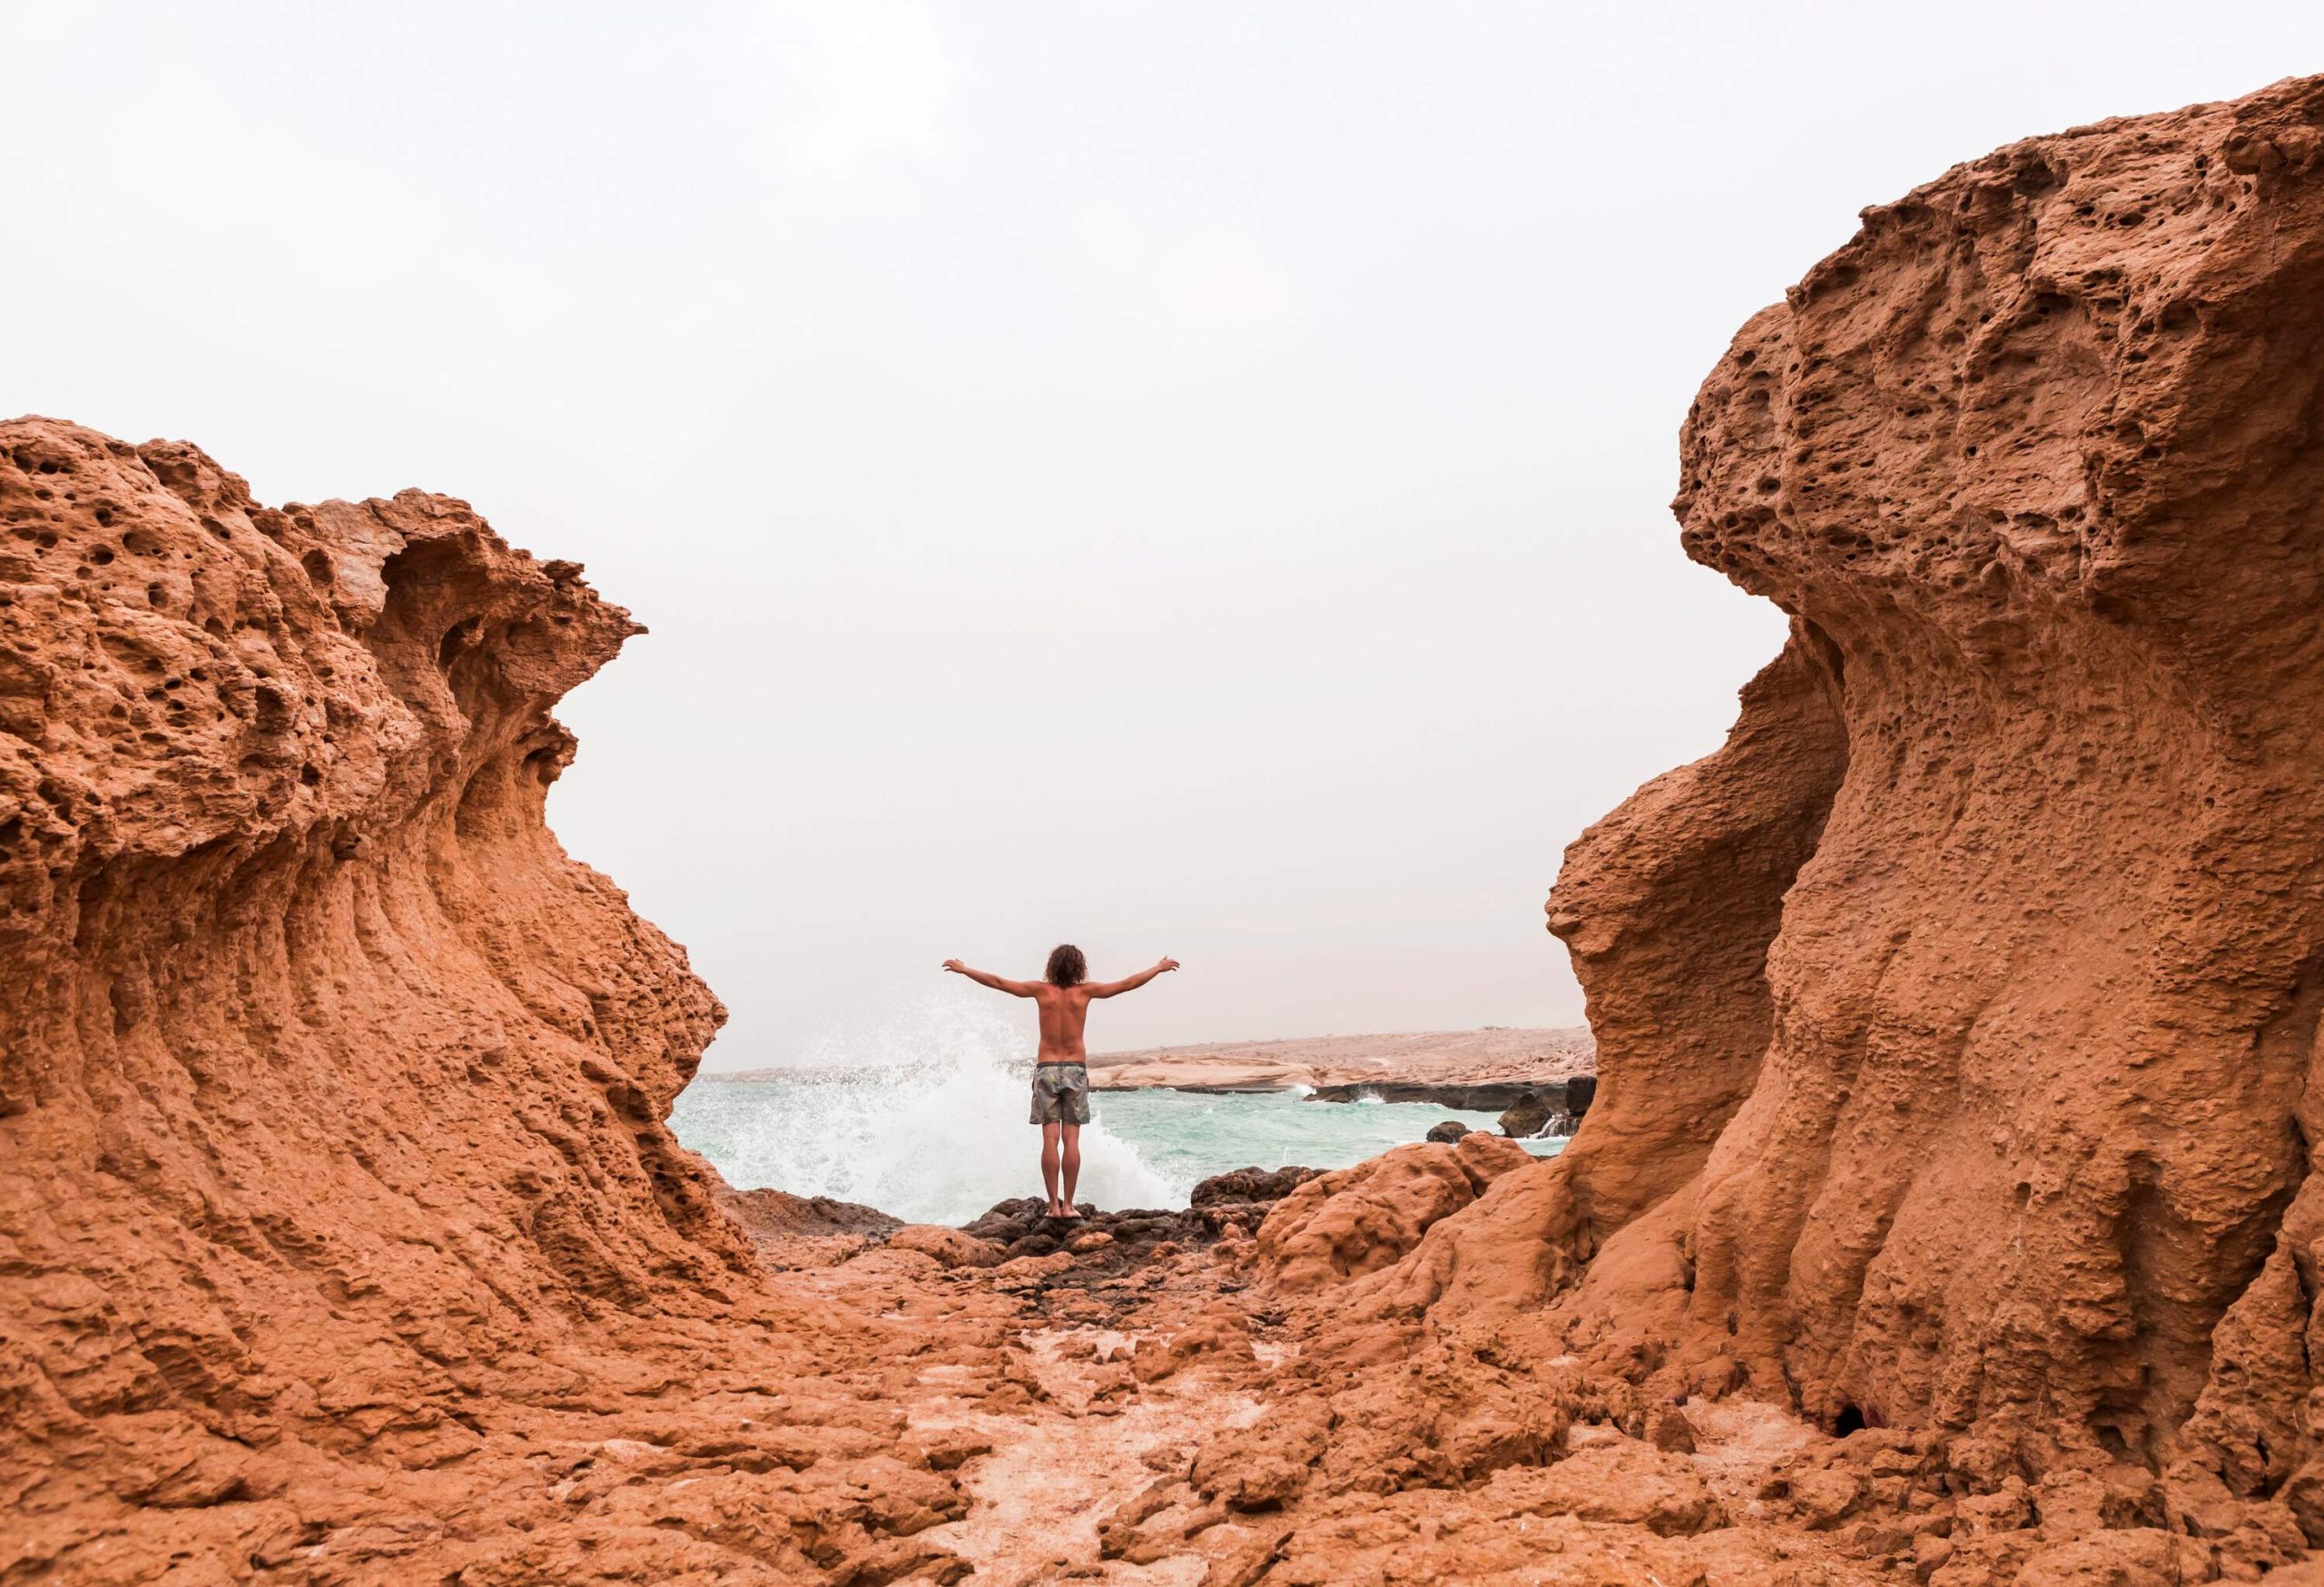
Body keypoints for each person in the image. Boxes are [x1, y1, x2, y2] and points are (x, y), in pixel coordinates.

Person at [941, 945, 1179, 1219]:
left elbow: (998, 983)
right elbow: (1127, 984)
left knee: (1049, 1140)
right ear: (1079, 967)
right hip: (1076, 1070)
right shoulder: (1085, 992)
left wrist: (965, 969)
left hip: (1047, 1069)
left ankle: (1053, 1207)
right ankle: (1069, 1206)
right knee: (1072, 1140)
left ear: (1052, 966)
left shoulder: (1041, 991)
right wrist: (1157, 969)